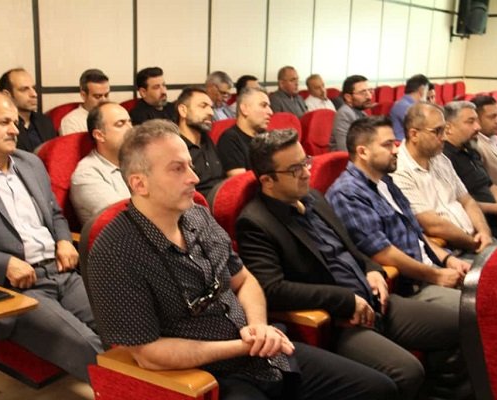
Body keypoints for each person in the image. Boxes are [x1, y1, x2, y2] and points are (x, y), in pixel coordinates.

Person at [86, 119, 398, 400]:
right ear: (139, 183)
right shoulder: (115, 252)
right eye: (177, 169)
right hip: (210, 376)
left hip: (261, 351)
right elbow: (149, 355)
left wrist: (259, 327)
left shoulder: (198, 216)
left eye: (190, 165)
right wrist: (243, 346)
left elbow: (245, 280)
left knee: (378, 388)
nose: (194, 177)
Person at [235, 129, 467, 399]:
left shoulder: (314, 198)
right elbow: (273, 289)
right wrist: (345, 300)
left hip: (376, 302)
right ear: (267, 180)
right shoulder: (255, 222)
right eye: (295, 169)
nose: (307, 173)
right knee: (406, 371)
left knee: (463, 323)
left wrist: (372, 270)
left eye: (306, 162)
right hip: (338, 322)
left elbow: (352, 249)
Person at [0, 90, 102, 382]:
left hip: (63, 273)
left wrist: (64, 240)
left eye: (15, 122)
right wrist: (4, 264)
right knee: (91, 349)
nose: (15, 130)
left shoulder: (30, 163)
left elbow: (55, 215)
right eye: (4, 122)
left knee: (124, 328)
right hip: (16, 290)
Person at [326, 117, 469, 311]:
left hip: (433, 270)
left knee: (496, 285)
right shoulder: (347, 194)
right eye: (387, 145)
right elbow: (383, 253)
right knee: (481, 308)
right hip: (411, 288)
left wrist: (448, 259)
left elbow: (417, 234)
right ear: (363, 152)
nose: (395, 150)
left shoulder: (385, 181)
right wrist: (436, 276)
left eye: (394, 143)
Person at [392, 102, 493, 254]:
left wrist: (484, 232)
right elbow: (432, 225)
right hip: (454, 252)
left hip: (477, 241)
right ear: (414, 135)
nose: (444, 137)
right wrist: (474, 243)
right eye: (437, 131)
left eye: (444, 130)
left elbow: (467, 201)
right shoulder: (399, 170)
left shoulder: (441, 159)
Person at [442, 101, 497, 239]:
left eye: (477, 121)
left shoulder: (471, 149)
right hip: (478, 227)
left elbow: (489, 184)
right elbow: (458, 203)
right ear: (448, 128)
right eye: (470, 122)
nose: (478, 127)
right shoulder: (444, 158)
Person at [70, 102, 132, 225]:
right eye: (120, 124)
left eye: (130, 122)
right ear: (99, 135)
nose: (130, 129)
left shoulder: (135, 161)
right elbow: (125, 220)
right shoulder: (87, 174)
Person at [176, 87, 225, 198]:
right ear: (183, 111)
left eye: (211, 107)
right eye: (203, 106)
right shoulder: (174, 147)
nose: (211, 112)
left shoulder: (207, 139)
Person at [0, 68, 57, 152]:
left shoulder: (45, 121)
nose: (34, 94)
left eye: (33, 88)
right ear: (7, 95)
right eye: (24, 89)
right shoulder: (2, 126)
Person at [217, 87, 272, 176]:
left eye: (269, 107)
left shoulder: (266, 136)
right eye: (263, 105)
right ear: (244, 109)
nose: (270, 112)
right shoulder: (229, 139)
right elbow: (240, 180)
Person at [329, 75, 373, 151]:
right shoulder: (344, 114)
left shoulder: (362, 113)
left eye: (370, 91)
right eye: (363, 93)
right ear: (348, 97)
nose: (369, 97)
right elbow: (345, 150)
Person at [60, 69, 110, 135]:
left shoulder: (115, 115)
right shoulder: (71, 122)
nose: (104, 100)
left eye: (106, 95)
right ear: (83, 95)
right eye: (97, 96)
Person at [389, 74, 430, 141]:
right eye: (427, 91)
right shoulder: (403, 106)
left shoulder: (407, 105)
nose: (427, 96)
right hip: (402, 143)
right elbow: (422, 126)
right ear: (421, 90)